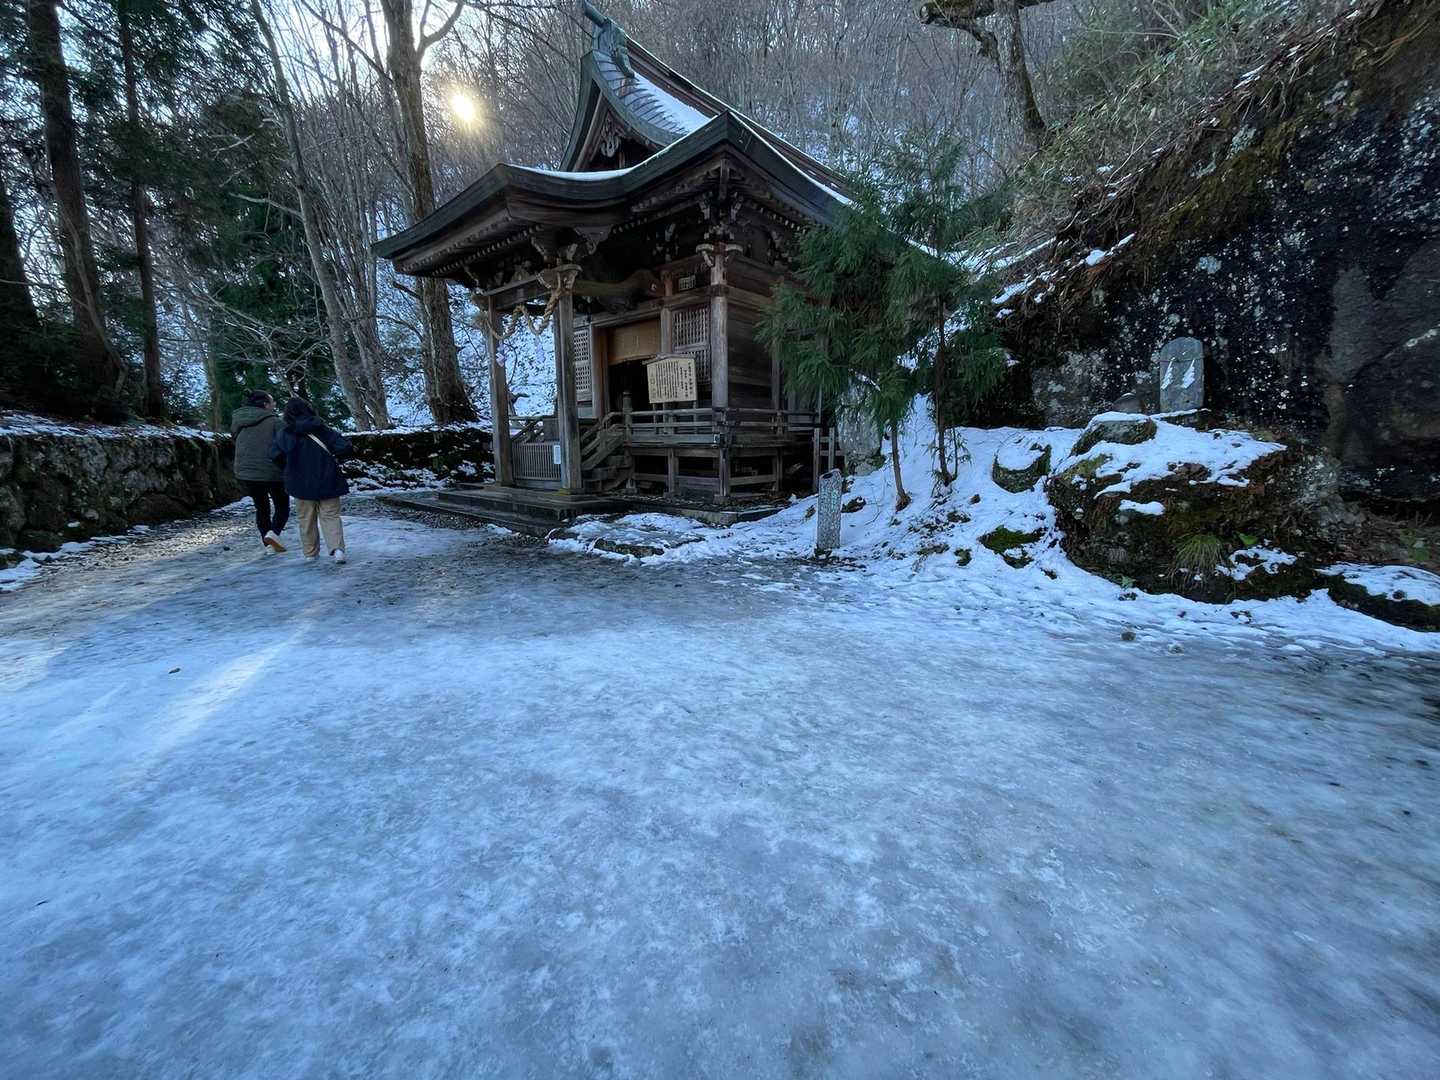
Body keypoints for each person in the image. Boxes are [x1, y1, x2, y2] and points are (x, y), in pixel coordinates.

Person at [271, 397, 352, 563]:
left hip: (299, 482)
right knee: (331, 516)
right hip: (328, 479)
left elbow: (274, 455)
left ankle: (310, 553)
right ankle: (337, 550)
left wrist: (288, 468)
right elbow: (344, 447)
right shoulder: (322, 429)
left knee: (306, 518)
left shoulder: (285, 434)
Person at [230, 390, 289, 553]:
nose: (274, 404)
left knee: (262, 508)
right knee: (282, 507)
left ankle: (268, 543)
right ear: (265, 405)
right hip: (271, 472)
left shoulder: (238, 421)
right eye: (272, 401)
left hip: (246, 472)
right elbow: (286, 445)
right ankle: (273, 535)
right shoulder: (275, 422)